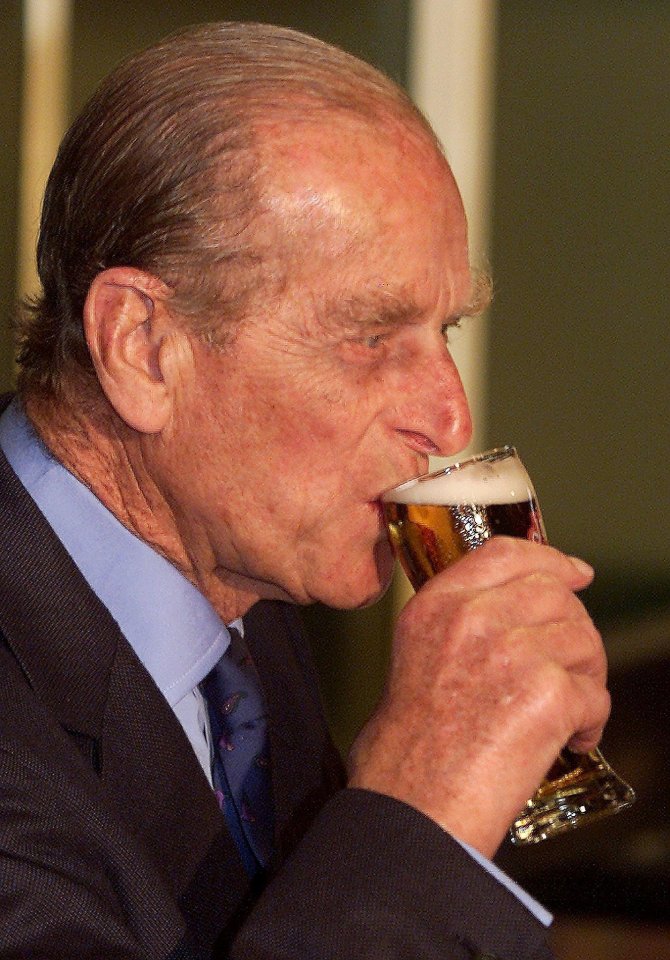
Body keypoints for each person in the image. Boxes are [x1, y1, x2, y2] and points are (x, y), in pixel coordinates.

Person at [0, 21, 609, 960]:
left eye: (444, 327)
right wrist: (421, 808)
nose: (450, 416)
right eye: (370, 336)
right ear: (143, 347)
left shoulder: (246, 602)